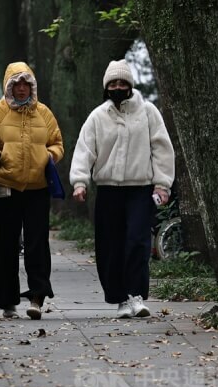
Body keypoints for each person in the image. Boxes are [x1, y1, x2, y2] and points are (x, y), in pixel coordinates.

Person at [69, 59, 175, 319]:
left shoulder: (148, 112)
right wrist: (80, 182)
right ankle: (119, 298)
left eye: (122, 83)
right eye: (113, 83)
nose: (118, 87)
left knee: (137, 242)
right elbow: (85, 150)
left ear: (130, 85)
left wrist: (162, 184)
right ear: (107, 87)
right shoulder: (98, 116)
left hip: (139, 189)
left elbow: (162, 149)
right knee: (110, 246)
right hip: (108, 190)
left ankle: (136, 295)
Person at [0, 62, 64, 320]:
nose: (22, 89)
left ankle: (37, 297)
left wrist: (49, 156)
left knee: (37, 243)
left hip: (38, 188)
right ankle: (7, 301)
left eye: (26, 84)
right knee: (6, 244)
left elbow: (58, 142)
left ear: (32, 86)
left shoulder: (44, 113)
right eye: (16, 84)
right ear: (8, 86)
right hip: (6, 186)